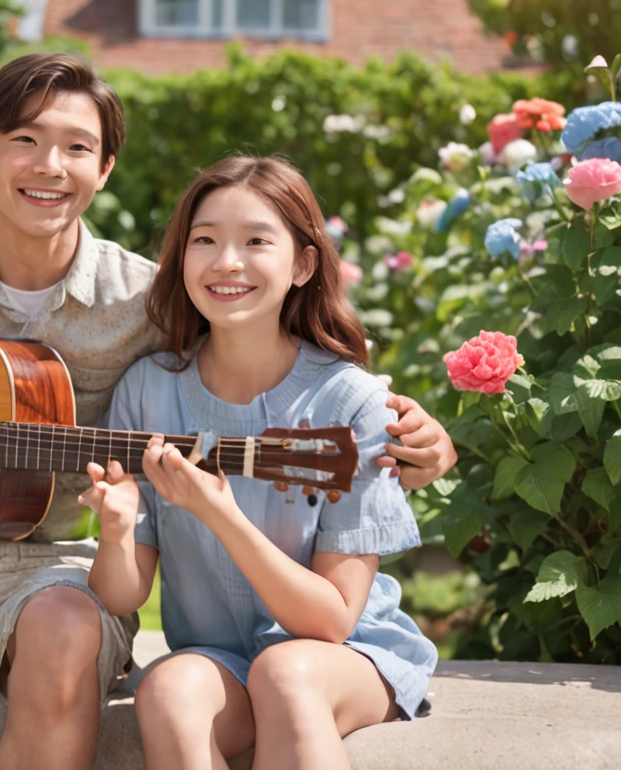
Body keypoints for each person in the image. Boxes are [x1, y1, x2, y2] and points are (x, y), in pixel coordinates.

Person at [0, 55, 452, 770]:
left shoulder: (151, 300)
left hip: (52, 569)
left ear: (104, 170)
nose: (49, 166)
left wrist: (422, 442)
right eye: (24, 141)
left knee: (67, 633)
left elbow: (279, 374)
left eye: (76, 147)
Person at [81, 154, 439, 770]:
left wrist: (221, 516)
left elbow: (330, 620)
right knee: (166, 689)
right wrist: (114, 532)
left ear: (303, 264)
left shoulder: (351, 401)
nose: (226, 262)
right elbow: (122, 595)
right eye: (204, 241)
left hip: (346, 655)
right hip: (219, 657)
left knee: (286, 671)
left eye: (255, 241)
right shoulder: (147, 389)